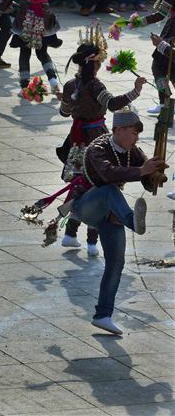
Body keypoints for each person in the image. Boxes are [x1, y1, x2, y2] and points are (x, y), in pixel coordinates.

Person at [70, 109, 164, 335]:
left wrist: (154, 176)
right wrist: (142, 170)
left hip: (111, 212)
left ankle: (103, 315)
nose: (136, 138)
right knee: (110, 189)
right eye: (133, 133)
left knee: (116, 262)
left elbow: (147, 182)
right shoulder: (98, 148)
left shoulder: (134, 152)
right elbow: (108, 174)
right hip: (86, 206)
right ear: (119, 130)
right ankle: (133, 221)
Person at [56, 41, 144, 255]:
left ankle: (69, 234)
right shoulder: (95, 86)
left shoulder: (69, 85)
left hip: (76, 139)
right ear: (95, 64)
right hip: (96, 137)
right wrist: (135, 91)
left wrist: (68, 102)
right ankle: (92, 242)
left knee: (80, 187)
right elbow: (113, 105)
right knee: (100, 185)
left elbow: (64, 112)